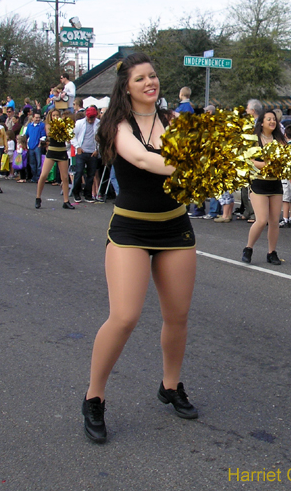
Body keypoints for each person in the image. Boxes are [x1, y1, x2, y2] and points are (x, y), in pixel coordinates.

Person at [82, 53, 198, 443]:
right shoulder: (118, 125)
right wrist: (189, 165)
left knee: (177, 316)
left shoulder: (173, 121)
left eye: (153, 75)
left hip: (175, 228)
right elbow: (142, 159)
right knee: (125, 317)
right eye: (141, 79)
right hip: (131, 230)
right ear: (126, 87)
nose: (151, 82)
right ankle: (94, 396)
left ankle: (170, 385)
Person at [242, 111, 286, 265]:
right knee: (261, 220)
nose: (272, 121)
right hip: (259, 183)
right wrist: (267, 165)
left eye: (274, 119)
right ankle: (248, 248)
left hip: (275, 184)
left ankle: (272, 252)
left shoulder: (280, 140)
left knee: (274, 221)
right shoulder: (254, 140)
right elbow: (250, 161)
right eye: (269, 119)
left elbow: (286, 158)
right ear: (261, 122)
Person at [35, 109, 75, 210]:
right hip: (52, 151)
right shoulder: (49, 125)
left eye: (57, 115)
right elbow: (50, 134)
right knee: (43, 175)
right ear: (50, 116)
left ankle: (66, 201)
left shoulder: (64, 124)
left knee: (65, 177)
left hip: (62, 151)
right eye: (54, 115)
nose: (56, 117)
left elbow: (68, 137)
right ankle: (38, 197)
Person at [72, 106, 101, 203]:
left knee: (91, 175)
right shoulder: (80, 123)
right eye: (89, 118)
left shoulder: (98, 124)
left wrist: (97, 149)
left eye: (92, 118)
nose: (90, 120)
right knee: (79, 172)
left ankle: (88, 194)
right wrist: (77, 147)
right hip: (82, 151)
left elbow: (101, 138)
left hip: (92, 152)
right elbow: (73, 136)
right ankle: (76, 192)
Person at [25, 111, 45, 183]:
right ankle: (34, 177)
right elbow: (26, 135)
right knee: (32, 163)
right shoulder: (29, 125)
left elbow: (43, 135)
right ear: (33, 118)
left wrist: (40, 143)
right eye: (36, 117)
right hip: (30, 146)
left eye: (39, 117)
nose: (38, 119)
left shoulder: (42, 125)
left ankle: (38, 177)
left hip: (37, 146)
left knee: (39, 163)